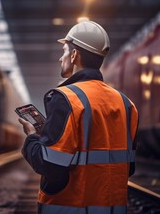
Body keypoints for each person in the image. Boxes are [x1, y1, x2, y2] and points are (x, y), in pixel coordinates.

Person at [18, 21, 138, 214]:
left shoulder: (66, 99)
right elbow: (127, 168)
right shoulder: (126, 104)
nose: (60, 58)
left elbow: (50, 165)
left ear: (74, 55)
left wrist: (32, 137)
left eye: (64, 51)